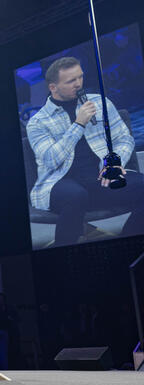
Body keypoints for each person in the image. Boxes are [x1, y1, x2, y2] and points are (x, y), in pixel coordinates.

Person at [26, 56, 142, 246]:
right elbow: (51, 161)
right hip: (60, 182)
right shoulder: (38, 122)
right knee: (76, 195)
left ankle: (126, 244)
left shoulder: (100, 102)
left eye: (80, 77)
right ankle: (62, 254)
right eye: (71, 81)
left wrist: (113, 161)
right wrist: (78, 124)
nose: (78, 84)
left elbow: (124, 138)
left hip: (100, 176)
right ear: (53, 87)